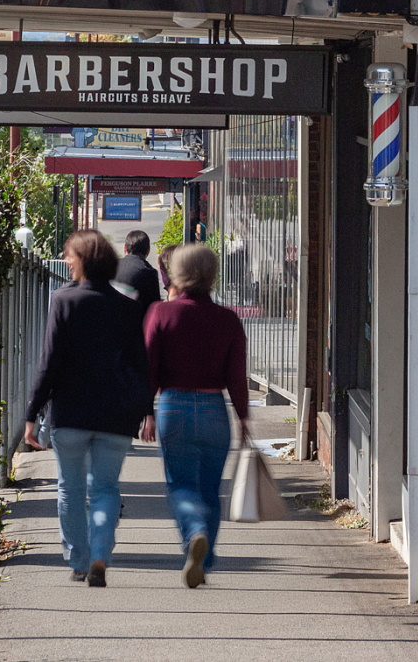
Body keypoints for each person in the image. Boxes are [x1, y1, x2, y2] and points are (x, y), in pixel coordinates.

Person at [23, 230, 152, 588]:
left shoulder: (64, 300)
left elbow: (50, 361)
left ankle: (79, 560)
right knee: (106, 489)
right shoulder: (128, 305)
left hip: (71, 413)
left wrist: (32, 413)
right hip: (116, 415)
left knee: (70, 488)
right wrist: (146, 410)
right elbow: (140, 364)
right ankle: (100, 555)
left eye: (70, 255)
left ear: (82, 261)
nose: (66, 261)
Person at [141, 244, 249, 590]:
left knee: (181, 484)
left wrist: (146, 411)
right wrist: (243, 417)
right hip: (215, 408)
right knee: (210, 489)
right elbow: (237, 375)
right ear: (213, 274)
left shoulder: (161, 313)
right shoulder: (228, 319)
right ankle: (206, 559)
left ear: (176, 273)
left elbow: (149, 368)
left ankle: (194, 533)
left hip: (174, 407)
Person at [114, 229, 162, 312]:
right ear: (148, 250)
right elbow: (153, 307)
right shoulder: (149, 272)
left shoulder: (113, 265)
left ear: (125, 248)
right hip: (135, 318)